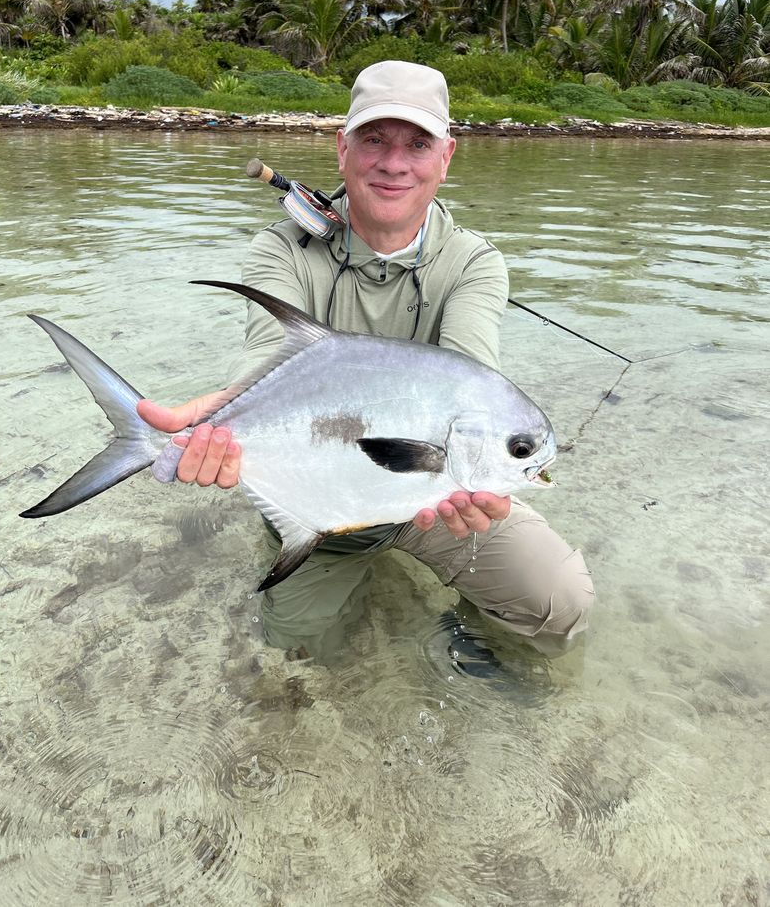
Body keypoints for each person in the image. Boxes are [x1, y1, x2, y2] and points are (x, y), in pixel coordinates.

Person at [138, 61, 594, 660]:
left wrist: (481, 484)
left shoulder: (474, 263)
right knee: (301, 657)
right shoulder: (281, 249)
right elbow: (267, 361)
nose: (394, 163)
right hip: (317, 507)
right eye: (375, 139)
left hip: (437, 506)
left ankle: (466, 634)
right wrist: (215, 425)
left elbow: (471, 383)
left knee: (558, 602)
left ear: (446, 157)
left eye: (418, 144)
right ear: (342, 149)